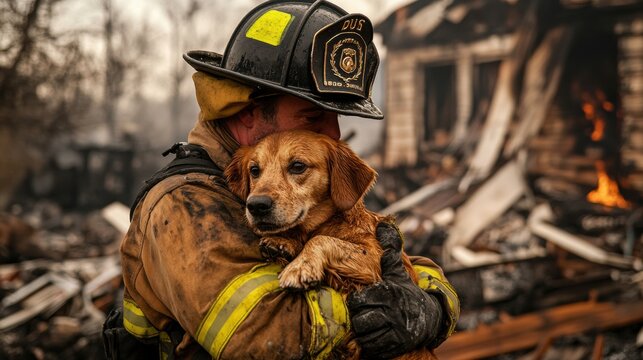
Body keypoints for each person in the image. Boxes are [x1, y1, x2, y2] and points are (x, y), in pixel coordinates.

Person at [103, 1, 459, 359]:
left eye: (335, 116)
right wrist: (373, 310)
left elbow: (408, 269)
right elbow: (261, 337)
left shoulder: (308, 198)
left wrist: (429, 308)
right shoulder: (184, 205)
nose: (333, 133)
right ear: (248, 115)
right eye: (313, 116)